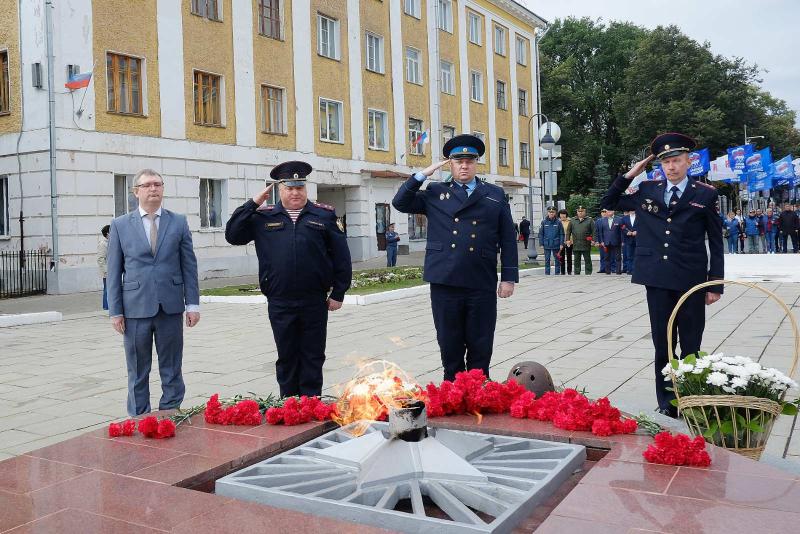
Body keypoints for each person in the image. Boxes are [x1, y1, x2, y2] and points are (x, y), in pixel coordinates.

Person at [602, 132, 723, 417]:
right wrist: (632, 173)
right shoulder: (647, 191)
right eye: (666, 161)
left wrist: (714, 283)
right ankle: (668, 402)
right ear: (659, 165)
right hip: (656, 279)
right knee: (663, 343)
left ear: (688, 161)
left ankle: (691, 399)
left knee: (691, 344)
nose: (671, 167)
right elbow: (610, 200)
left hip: (691, 280)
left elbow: (716, 242)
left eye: (677, 160)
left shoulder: (705, 194)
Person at [392, 134, 518, 381]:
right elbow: (400, 202)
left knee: (481, 340)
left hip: (480, 277)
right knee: (449, 340)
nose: (464, 165)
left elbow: (507, 238)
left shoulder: (494, 194)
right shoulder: (435, 192)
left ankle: (479, 386)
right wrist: (421, 175)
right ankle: (453, 386)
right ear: (449, 163)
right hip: (445, 279)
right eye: (458, 160)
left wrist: (509, 278)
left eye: (469, 161)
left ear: (476, 163)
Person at [225, 161, 352, 397]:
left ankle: (311, 402)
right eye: (289, 188)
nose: (295, 193)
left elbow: (342, 256)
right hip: (280, 300)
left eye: (299, 188)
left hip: (314, 300)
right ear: (279, 190)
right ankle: (289, 404)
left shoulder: (324, 215)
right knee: (286, 354)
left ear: (306, 189)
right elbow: (232, 235)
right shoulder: (263, 216)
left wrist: (338, 293)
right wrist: (252, 204)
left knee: (313, 354)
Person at [106, 169, 200, 416]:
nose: (153, 189)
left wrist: (193, 304)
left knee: (171, 367)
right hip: (135, 308)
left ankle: (170, 413)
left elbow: (189, 265)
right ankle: (140, 417)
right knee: (138, 369)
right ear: (136, 191)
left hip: (170, 306)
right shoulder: (120, 225)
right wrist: (115, 311)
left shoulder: (178, 222)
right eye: (147, 185)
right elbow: (114, 272)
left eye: (157, 184)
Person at [566, 206, 594, 275]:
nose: (580, 213)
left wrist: (593, 240)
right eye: (579, 211)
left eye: (582, 211)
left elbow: (594, 231)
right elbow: (568, 231)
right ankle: (577, 272)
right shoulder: (572, 220)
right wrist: (567, 240)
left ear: (585, 212)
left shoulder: (589, 220)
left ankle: (588, 272)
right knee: (576, 260)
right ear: (577, 212)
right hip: (576, 243)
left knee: (587, 259)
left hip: (586, 243)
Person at [538, 207, 564, 275]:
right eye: (550, 212)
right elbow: (541, 234)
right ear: (548, 213)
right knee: (547, 260)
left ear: (555, 213)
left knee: (557, 260)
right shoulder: (544, 222)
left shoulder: (558, 222)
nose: (551, 213)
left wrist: (561, 243)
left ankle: (557, 273)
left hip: (556, 243)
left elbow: (561, 234)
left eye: (553, 212)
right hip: (547, 243)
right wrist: (541, 243)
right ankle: (547, 273)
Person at [597, 209, 622, 274]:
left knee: (618, 257)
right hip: (606, 241)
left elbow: (621, 231)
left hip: (617, 241)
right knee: (606, 257)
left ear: (613, 211)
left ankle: (618, 271)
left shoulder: (619, 219)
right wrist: (602, 241)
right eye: (608, 211)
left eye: (611, 211)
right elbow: (601, 232)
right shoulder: (602, 220)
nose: (609, 212)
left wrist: (622, 241)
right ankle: (607, 271)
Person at [620, 209, 638, 274]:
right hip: (628, 239)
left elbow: (643, 226)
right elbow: (622, 227)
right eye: (630, 209)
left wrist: (637, 232)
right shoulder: (624, 218)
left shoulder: (640, 217)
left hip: (638, 239)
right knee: (629, 255)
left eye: (633, 209)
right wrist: (627, 232)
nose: (632, 210)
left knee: (637, 255)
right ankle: (630, 270)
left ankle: (636, 270)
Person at [98, 225, 110, 310]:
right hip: (107, 272)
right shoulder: (103, 244)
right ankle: (106, 307)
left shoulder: (111, 242)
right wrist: (106, 271)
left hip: (112, 270)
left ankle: (110, 306)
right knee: (107, 289)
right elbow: (101, 259)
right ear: (108, 233)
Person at [557, 209, 573, 275]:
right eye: (561, 214)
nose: (562, 215)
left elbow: (572, 232)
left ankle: (569, 271)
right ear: (559, 215)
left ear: (566, 215)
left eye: (564, 214)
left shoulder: (570, 221)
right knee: (561, 257)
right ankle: (562, 272)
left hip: (569, 241)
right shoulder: (558, 222)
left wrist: (571, 241)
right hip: (561, 242)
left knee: (569, 257)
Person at [594, 208, 608, 273]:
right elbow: (596, 232)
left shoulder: (610, 220)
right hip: (600, 241)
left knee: (610, 255)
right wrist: (596, 241)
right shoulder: (598, 221)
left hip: (609, 240)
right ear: (601, 213)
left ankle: (610, 268)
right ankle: (602, 269)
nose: (604, 213)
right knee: (602, 255)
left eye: (605, 211)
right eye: (602, 212)